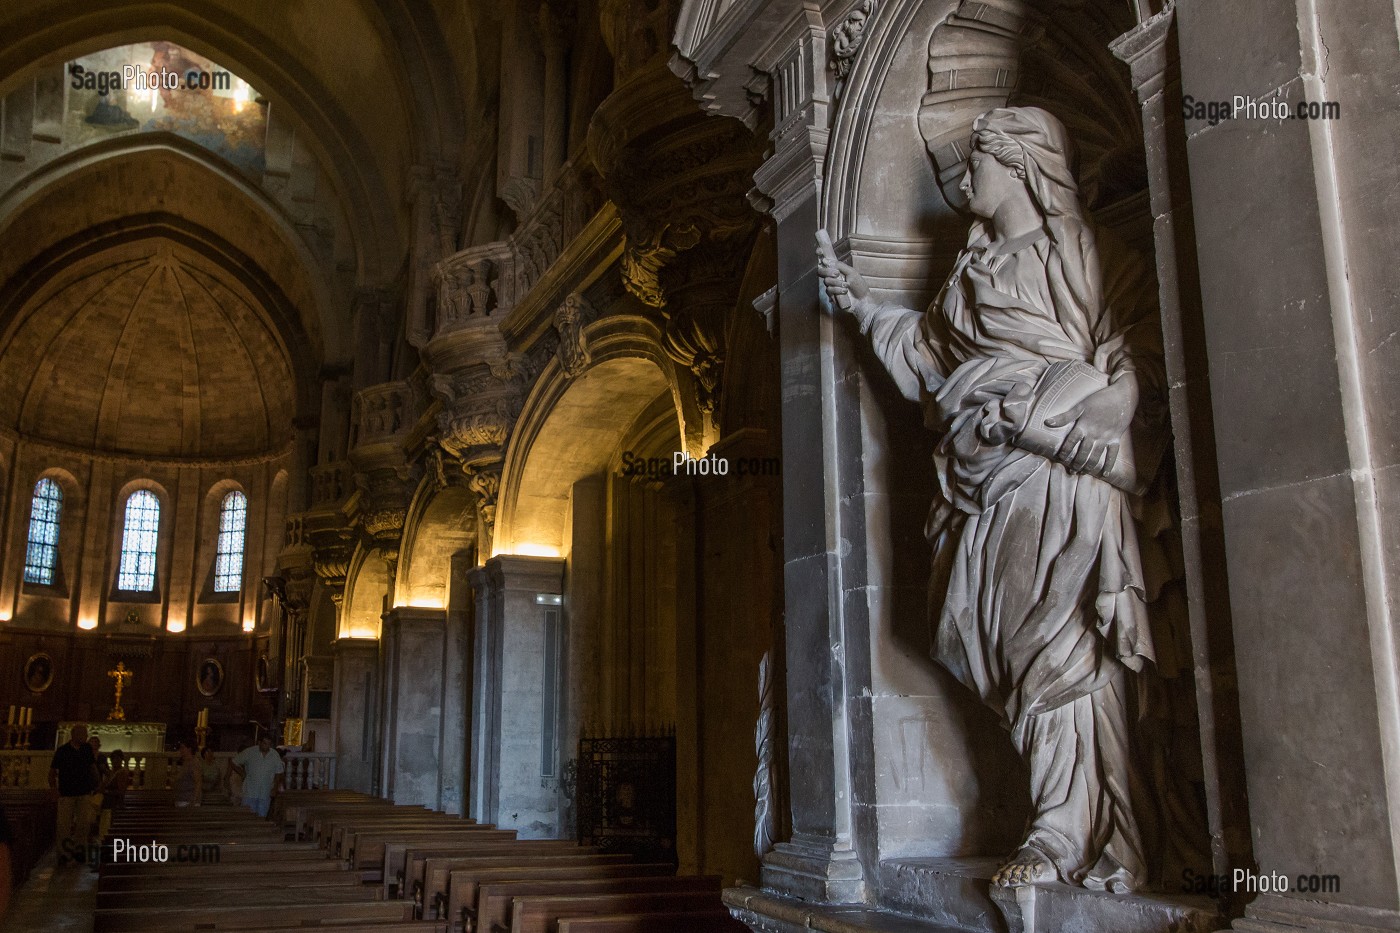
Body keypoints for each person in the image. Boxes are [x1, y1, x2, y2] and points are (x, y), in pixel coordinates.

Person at [818, 106, 1164, 892]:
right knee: (984, 635)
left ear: (1019, 166)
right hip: (980, 479)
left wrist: (1114, 397)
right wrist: (863, 304)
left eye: (977, 161)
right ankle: (1058, 815)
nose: (963, 175)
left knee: (1061, 646)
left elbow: (1139, 338)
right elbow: (929, 355)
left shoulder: (1083, 253)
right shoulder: (968, 276)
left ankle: (1071, 827)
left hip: (1058, 476)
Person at [49, 724, 98, 865]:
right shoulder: (62, 751)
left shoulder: (87, 749)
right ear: (74, 735)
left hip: (84, 792)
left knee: (83, 825)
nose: (86, 736)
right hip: (67, 793)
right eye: (83, 734)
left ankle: (79, 853)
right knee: (63, 825)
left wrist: (96, 783)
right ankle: (64, 854)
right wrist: (54, 789)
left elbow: (92, 767)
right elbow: (52, 772)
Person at [229, 734, 283, 818]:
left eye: (269, 744)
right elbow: (233, 762)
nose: (267, 746)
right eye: (265, 743)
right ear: (259, 743)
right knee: (247, 818)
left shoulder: (274, 754)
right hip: (250, 792)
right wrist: (242, 773)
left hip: (265, 793)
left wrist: (275, 788)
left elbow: (279, 772)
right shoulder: (249, 752)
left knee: (262, 818)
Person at [98, 749, 133, 843]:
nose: (115, 761)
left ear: (121, 760)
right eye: (113, 759)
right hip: (107, 804)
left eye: (117, 759)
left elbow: (121, 791)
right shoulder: (111, 772)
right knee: (103, 826)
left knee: (106, 827)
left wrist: (106, 791)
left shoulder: (122, 773)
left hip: (113, 805)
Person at [173, 741, 200, 807]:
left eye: (182, 748)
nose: (180, 750)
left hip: (188, 801)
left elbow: (198, 782)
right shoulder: (185, 762)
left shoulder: (194, 763)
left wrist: (194, 800)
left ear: (189, 749)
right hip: (181, 799)